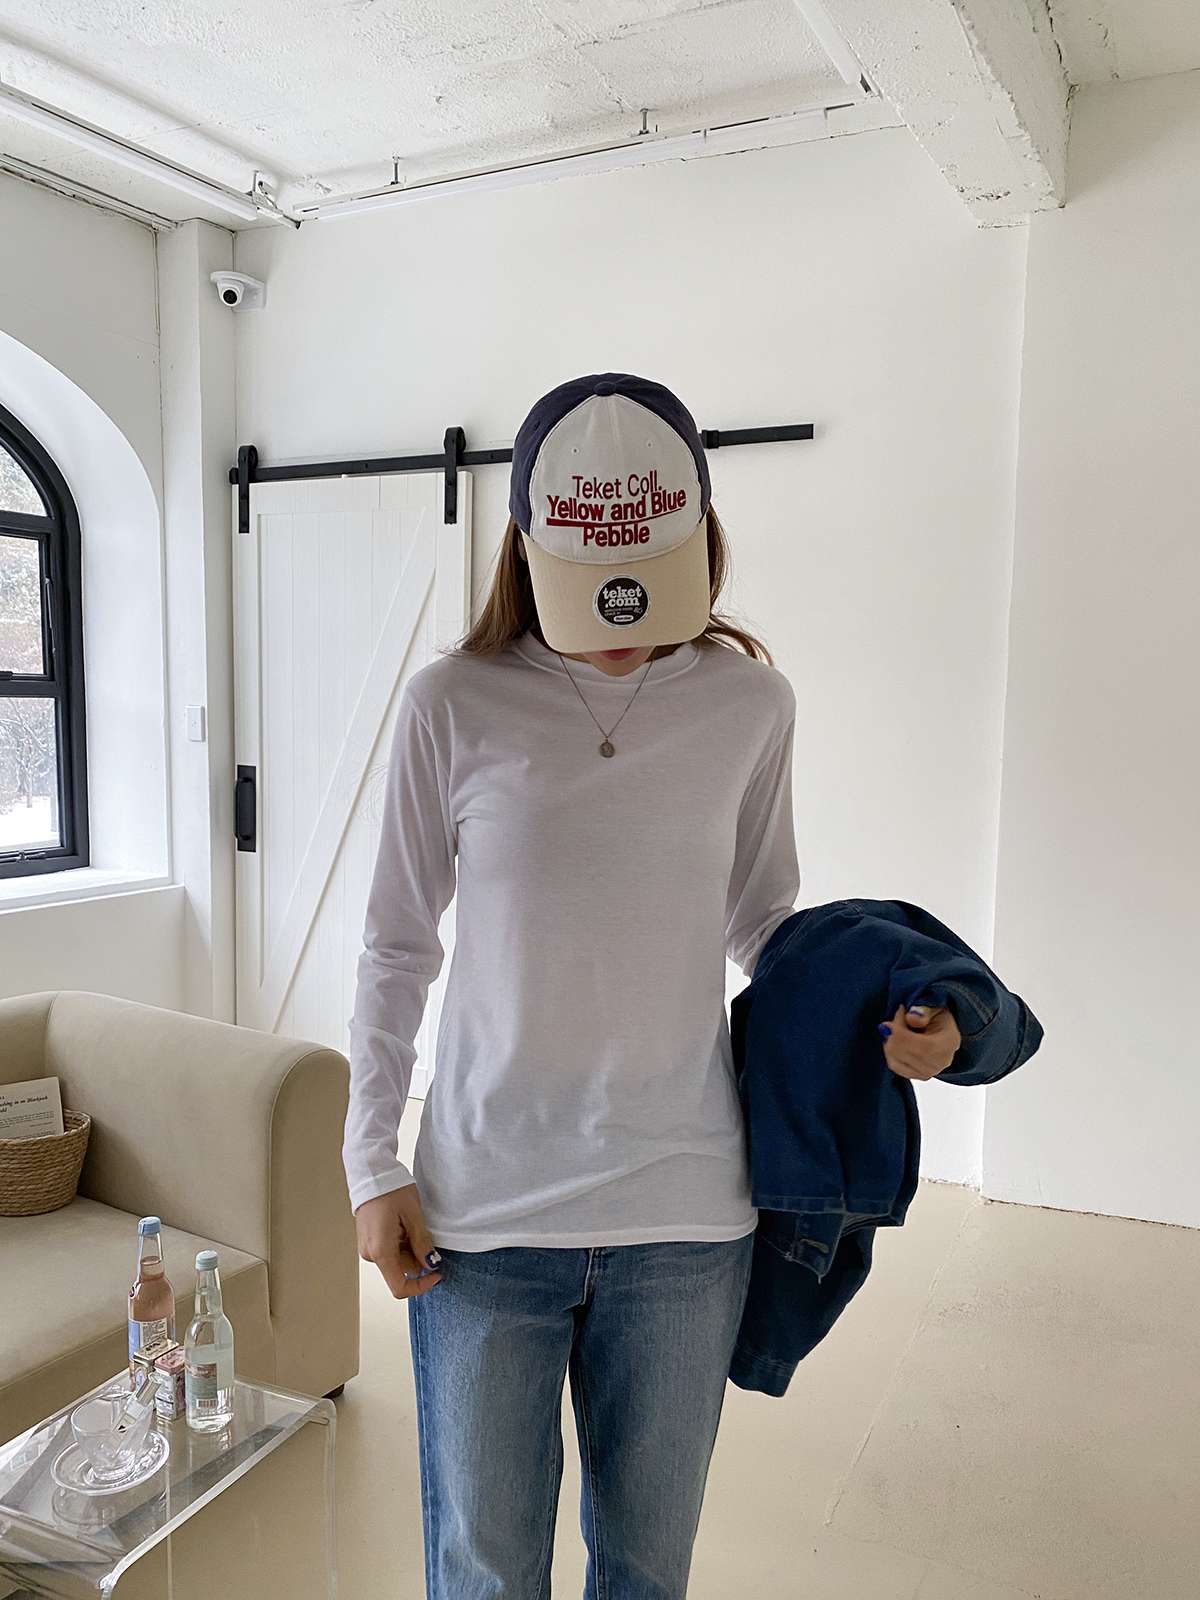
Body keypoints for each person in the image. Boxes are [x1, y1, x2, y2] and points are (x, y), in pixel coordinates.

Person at [342, 372, 951, 1598]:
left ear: (701, 543)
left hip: (684, 1214)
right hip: (485, 1214)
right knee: (485, 1569)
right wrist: (371, 1160)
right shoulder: (450, 704)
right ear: (528, 551)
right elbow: (397, 941)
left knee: (646, 1570)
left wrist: (887, 1017)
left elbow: (764, 920)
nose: (619, 621)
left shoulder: (750, 705)